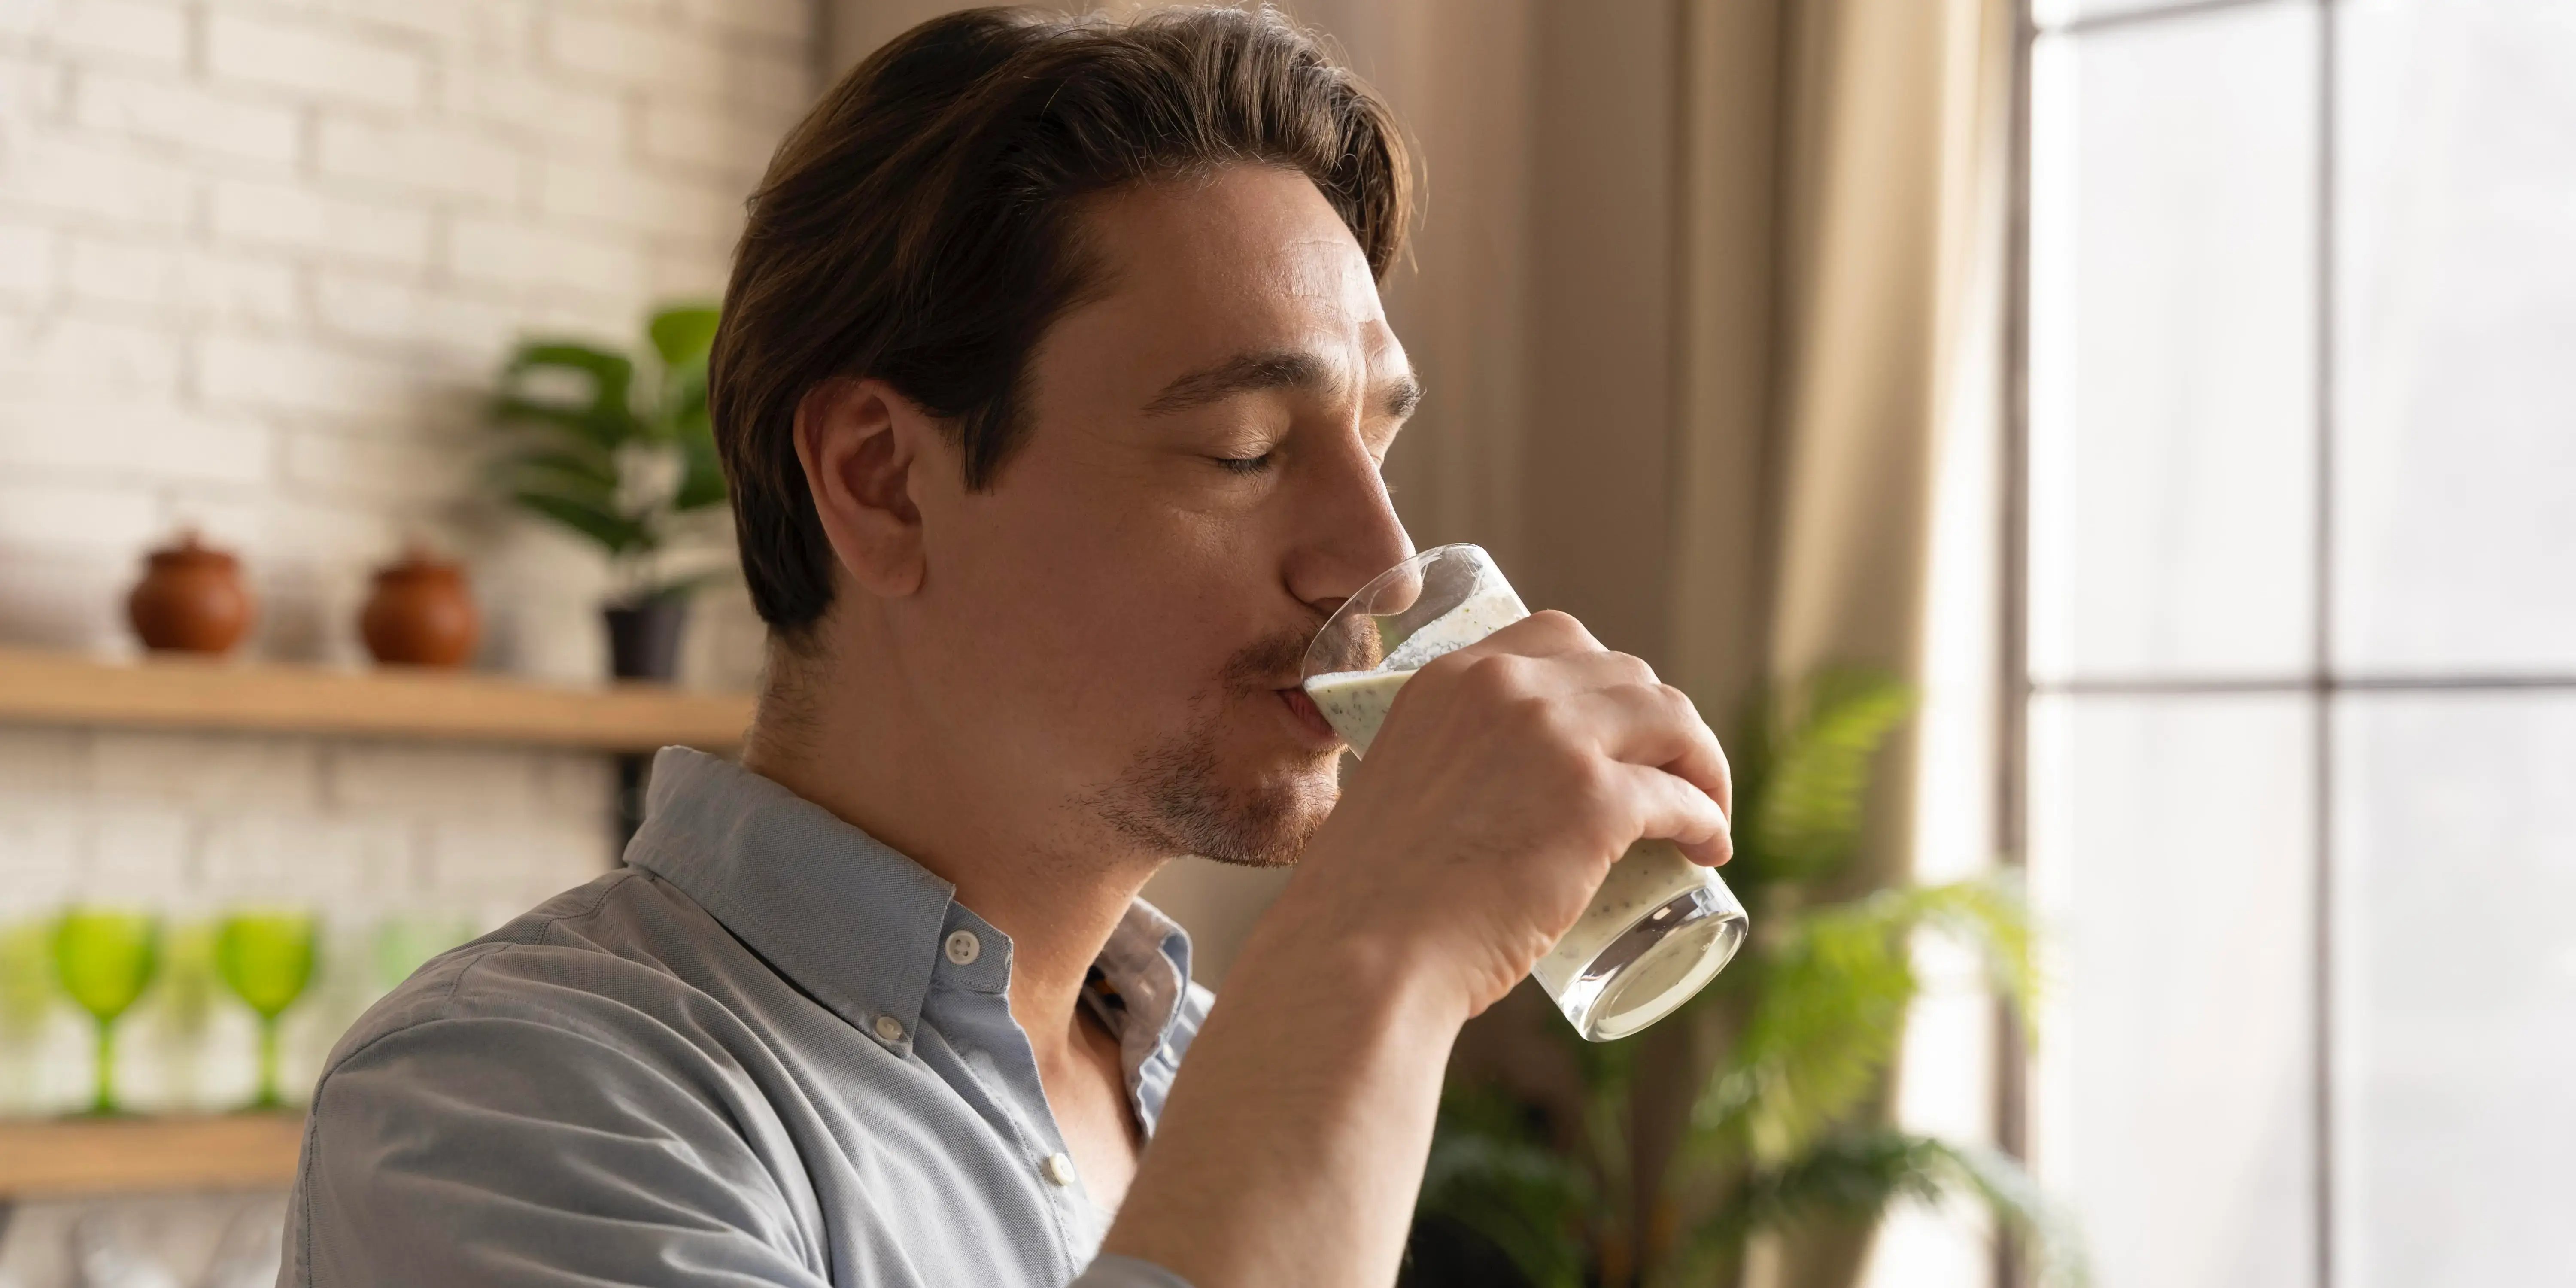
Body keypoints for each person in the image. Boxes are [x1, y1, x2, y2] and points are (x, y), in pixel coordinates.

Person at [279, 7, 1732, 1287]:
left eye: (1373, 441)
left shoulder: (1218, 1073)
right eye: (1243, 448)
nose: (1378, 559)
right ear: (881, 481)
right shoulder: (513, 1107)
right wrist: (1386, 943)